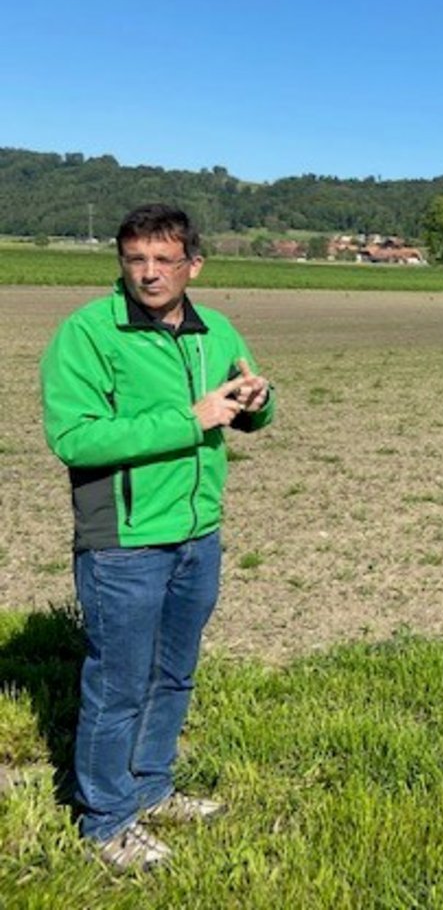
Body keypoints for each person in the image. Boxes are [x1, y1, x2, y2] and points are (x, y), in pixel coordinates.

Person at [40, 204, 274, 871]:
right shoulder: (88, 333)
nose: (147, 273)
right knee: (118, 683)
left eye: (162, 260)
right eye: (134, 259)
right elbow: (74, 437)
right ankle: (106, 819)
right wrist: (188, 418)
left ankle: (150, 788)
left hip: (198, 533)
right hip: (123, 540)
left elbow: (245, 402)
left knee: (172, 675)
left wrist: (258, 400)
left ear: (192, 265)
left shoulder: (214, 328)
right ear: (121, 262)